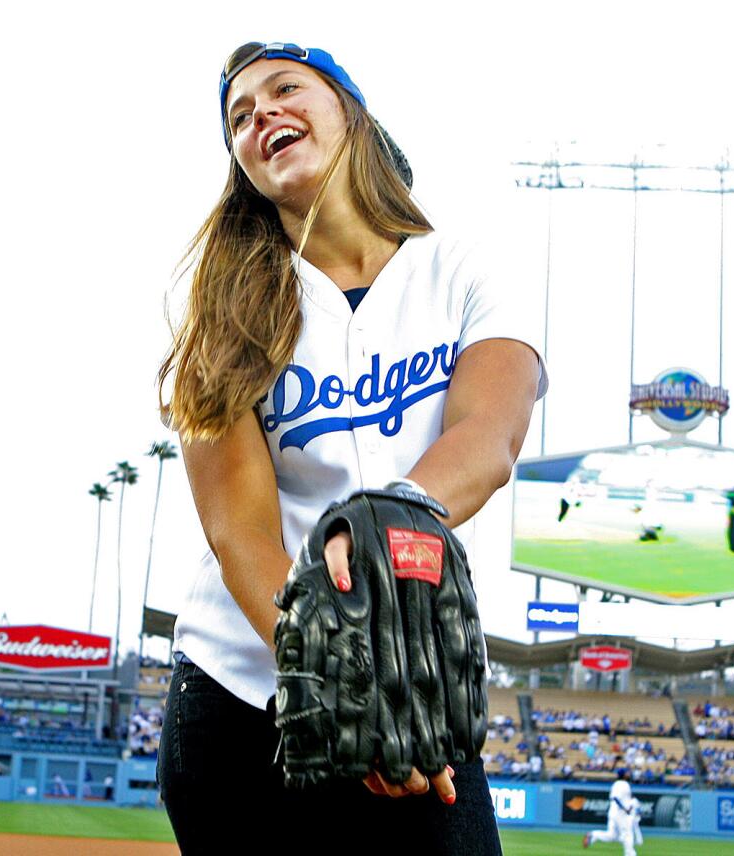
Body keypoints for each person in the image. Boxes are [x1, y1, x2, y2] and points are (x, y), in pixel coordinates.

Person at [156, 41, 546, 855]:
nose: (261, 113)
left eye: (284, 88)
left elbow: (491, 433)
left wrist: (389, 515)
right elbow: (241, 533)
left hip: (418, 680)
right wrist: (335, 680)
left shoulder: (464, 270)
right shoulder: (222, 308)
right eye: (239, 115)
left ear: (351, 113)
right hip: (241, 696)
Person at [583, 770, 636, 854]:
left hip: (613, 812)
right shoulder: (623, 784)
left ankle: (593, 834)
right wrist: (624, 808)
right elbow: (615, 798)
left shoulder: (616, 784)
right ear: (623, 775)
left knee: (612, 835)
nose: (628, 774)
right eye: (627, 773)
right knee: (628, 835)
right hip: (620, 813)